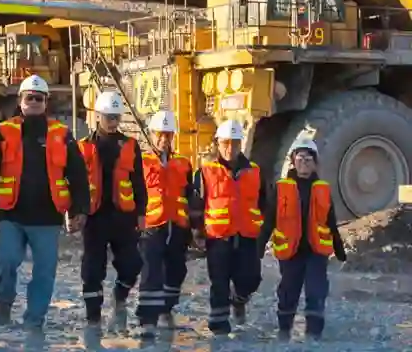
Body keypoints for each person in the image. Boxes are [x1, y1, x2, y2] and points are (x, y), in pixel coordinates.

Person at [0, 74, 90, 331]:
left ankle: (34, 319)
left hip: (47, 218)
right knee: (6, 261)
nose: (34, 102)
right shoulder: (4, 132)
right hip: (11, 215)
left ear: (46, 102)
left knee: (45, 270)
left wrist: (79, 209)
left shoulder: (62, 135)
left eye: (38, 98)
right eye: (29, 97)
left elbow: (77, 174)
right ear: (20, 100)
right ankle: (4, 302)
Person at [257, 138, 346, 340]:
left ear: (315, 162)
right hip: (291, 252)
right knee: (288, 291)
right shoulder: (280, 188)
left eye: (308, 159)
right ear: (293, 161)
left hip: (316, 252)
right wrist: (259, 247)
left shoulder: (323, 188)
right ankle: (284, 330)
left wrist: (339, 248)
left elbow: (330, 221)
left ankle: (314, 334)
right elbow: (269, 220)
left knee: (316, 291)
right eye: (300, 158)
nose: (304, 163)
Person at [191, 119, 268, 335]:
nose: (229, 148)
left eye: (234, 143)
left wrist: (260, 228)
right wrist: (197, 231)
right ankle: (219, 328)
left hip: (246, 236)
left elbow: (263, 203)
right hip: (218, 237)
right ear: (217, 143)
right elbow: (196, 204)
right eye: (225, 143)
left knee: (251, 278)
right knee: (219, 282)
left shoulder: (254, 171)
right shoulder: (205, 172)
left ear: (240, 144)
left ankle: (239, 300)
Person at [77, 90, 145, 328]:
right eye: (108, 116)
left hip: (123, 217)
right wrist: (74, 212)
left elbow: (139, 182)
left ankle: (120, 294)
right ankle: (93, 316)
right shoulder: (83, 147)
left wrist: (141, 213)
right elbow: (74, 182)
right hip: (94, 217)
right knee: (92, 269)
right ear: (98, 116)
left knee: (132, 264)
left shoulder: (130, 146)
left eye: (116, 116)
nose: (112, 121)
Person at [136, 110, 194, 338]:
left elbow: (190, 194)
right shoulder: (141, 162)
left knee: (177, 270)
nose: (164, 139)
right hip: (151, 225)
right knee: (151, 271)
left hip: (177, 225)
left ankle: (166, 308)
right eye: (160, 134)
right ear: (151, 134)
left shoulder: (183, 163)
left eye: (168, 135)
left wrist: (195, 225)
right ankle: (147, 319)